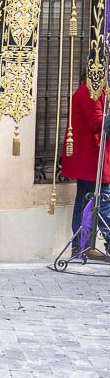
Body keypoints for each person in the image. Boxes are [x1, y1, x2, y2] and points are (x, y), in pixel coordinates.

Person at [61, 69, 110, 257]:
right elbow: (98, 123)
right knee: (103, 200)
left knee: (84, 201)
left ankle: (81, 246)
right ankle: (85, 246)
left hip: (92, 157)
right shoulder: (90, 92)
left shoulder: (95, 91)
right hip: (92, 159)